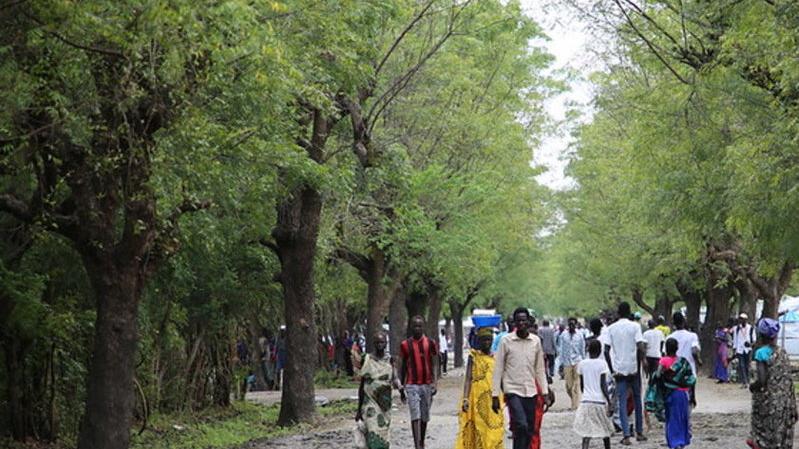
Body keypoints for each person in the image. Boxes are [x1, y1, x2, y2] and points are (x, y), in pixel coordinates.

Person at [492, 307, 554, 449]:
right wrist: (495, 395)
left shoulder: (535, 341)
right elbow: (498, 368)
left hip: (531, 391)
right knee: (521, 424)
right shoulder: (506, 341)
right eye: (518, 321)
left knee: (529, 429)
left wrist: (545, 393)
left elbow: (539, 369)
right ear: (514, 323)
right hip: (513, 390)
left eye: (524, 320)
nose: (521, 323)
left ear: (528, 322)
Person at [747, 318, 798, 449]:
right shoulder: (783, 353)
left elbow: (762, 380)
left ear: (760, 335)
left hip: (769, 404)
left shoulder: (761, 353)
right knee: (780, 436)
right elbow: (788, 380)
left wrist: (752, 387)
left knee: (765, 435)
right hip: (784, 403)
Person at [604, 302, 647, 445]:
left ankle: (626, 435)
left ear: (618, 313)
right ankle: (639, 432)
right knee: (637, 400)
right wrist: (643, 361)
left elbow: (606, 350)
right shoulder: (635, 326)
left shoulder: (611, 328)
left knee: (622, 402)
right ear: (629, 312)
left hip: (619, 370)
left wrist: (612, 369)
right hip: (633, 368)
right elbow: (640, 346)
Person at [455, 327, 504, 449]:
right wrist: (465, 398)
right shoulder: (474, 356)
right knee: (478, 428)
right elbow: (468, 378)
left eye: (489, 340)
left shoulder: (496, 357)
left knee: (494, 429)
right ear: (479, 341)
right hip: (475, 399)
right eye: (483, 340)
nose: (486, 343)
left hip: (493, 398)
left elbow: (501, 378)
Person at [399, 315, 439, 449]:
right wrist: (402, 386)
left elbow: (434, 363)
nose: (417, 328)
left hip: (426, 384)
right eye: (415, 326)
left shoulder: (430, 343)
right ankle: (417, 445)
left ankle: (421, 441)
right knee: (415, 415)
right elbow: (403, 365)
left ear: (423, 327)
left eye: (420, 326)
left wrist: (435, 382)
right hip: (412, 384)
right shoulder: (405, 345)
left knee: (424, 416)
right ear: (411, 327)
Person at [356, 332, 401, 449]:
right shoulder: (366, 359)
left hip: (385, 404)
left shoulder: (390, 360)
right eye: (377, 342)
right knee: (372, 429)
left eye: (382, 342)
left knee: (383, 433)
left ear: (386, 343)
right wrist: (358, 410)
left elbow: (395, 378)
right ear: (373, 344)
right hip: (369, 401)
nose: (380, 345)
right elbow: (362, 385)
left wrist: (401, 389)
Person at [573, 339, 614, 449]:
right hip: (599, 401)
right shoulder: (602, 364)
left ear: (588, 350)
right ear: (600, 351)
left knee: (586, 432)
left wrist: (586, 393)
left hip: (586, 401)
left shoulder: (582, 364)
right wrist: (609, 401)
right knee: (605, 430)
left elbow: (582, 385)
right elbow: (603, 385)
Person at [659, 338, 695, 449]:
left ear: (666, 348)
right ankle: (681, 441)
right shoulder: (683, 362)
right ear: (677, 348)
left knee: (671, 418)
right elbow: (691, 379)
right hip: (683, 394)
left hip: (670, 394)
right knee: (682, 417)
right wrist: (693, 396)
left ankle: (674, 442)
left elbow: (658, 375)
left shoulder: (663, 361)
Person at [669, 312, 701, 406]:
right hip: (689, 370)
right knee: (689, 395)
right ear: (684, 321)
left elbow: (665, 354)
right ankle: (691, 401)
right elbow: (694, 351)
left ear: (673, 323)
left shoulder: (670, 337)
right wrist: (698, 361)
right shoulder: (692, 336)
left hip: (674, 371)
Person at [560, 317, 586, 410]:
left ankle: (575, 405)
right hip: (567, 362)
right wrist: (561, 363)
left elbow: (582, 348)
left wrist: (583, 361)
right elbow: (561, 349)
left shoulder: (580, 335)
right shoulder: (563, 335)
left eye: (573, 324)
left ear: (575, 325)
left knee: (576, 384)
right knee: (568, 386)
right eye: (570, 324)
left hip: (577, 361)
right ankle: (573, 400)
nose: (571, 326)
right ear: (568, 325)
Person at [733, 313, 754, 389]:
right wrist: (735, 349)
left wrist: (750, 344)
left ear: (746, 320)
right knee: (741, 365)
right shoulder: (737, 328)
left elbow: (754, 339)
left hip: (748, 349)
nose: (742, 321)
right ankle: (744, 382)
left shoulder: (750, 328)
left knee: (747, 365)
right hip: (740, 349)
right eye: (741, 319)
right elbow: (735, 339)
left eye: (743, 319)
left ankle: (748, 380)